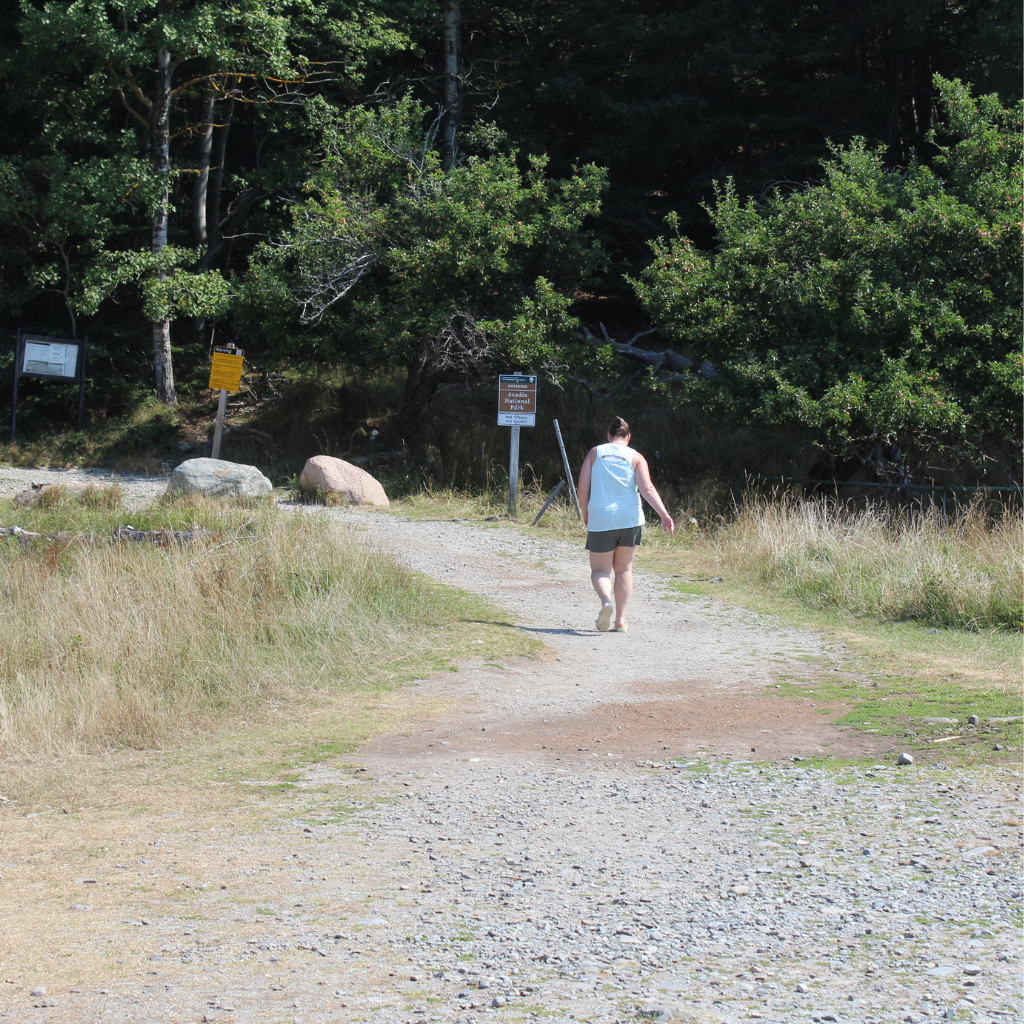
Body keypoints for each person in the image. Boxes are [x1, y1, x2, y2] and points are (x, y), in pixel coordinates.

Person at [576, 416, 674, 632]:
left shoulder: (595, 453)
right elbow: (647, 489)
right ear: (628, 437)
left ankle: (606, 602)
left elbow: (582, 489)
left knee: (600, 570)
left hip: (601, 517)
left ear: (608, 436)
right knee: (624, 570)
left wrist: (585, 513)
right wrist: (664, 514)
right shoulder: (636, 457)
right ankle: (620, 620)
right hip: (630, 518)